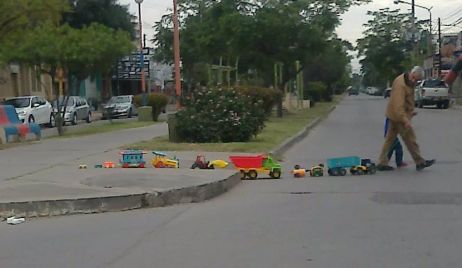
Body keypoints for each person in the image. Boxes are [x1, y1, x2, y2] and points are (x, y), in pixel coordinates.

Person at [377, 66, 435, 171]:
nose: (415, 81)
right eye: (414, 78)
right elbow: (398, 106)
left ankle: (382, 162)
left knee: (389, 140)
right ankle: (420, 162)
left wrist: (411, 110)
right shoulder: (401, 85)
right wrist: (405, 120)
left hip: (394, 115)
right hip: (399, 117)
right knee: (410, 139)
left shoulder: (409, 82)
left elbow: (408, 99)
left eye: (417, 80)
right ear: (411, 73)